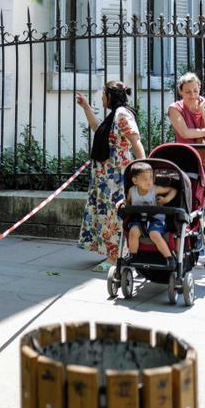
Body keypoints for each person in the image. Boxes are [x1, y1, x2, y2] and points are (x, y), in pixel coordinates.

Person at [75, 81, 144, 272]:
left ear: (110, 96)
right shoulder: (114, 116)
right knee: (106, 216)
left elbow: (135, 140)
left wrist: (144, 167)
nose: (102, 98)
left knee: (113, 217)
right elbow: (98, 128)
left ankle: (115, 258)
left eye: (104, 94)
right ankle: (113, 254)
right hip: (107, 178)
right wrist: (86, 107)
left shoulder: (122, 114)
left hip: (116, 177)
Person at [121, 162, 177, 269]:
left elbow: (173, 190)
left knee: (154, 234)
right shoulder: (132, 191)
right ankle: (132, 255)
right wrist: (123, 204)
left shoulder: (155, 189)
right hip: (139, 219)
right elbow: (128, 202)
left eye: (151, 177)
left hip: (156, 219)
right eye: (145, 179)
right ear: (135, 181)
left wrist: (166, 199)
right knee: (133, 232)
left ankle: (169, 257)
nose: (149, 181)